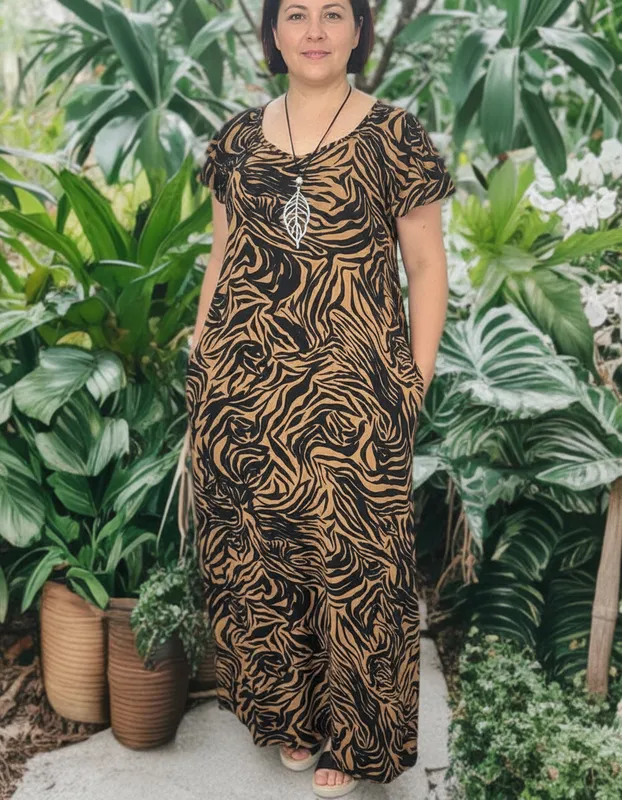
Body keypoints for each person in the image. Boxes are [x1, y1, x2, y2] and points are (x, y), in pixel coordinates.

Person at [185, 0, 455, 795]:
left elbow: (426, 268)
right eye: (296, 14)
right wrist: (201, 358)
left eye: (333, 13)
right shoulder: (237, 140)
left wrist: (412, 381)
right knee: (262, 561)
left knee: (356, 567)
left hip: (353, 397)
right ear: (274, 32)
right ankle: (291, 719)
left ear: (358, 31)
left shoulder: (395, 136)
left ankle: (357, 738)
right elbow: (222, 256)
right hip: (244, 393)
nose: (314, 31)